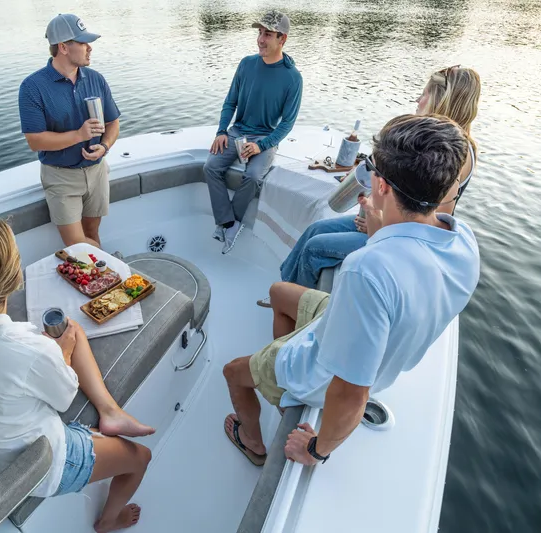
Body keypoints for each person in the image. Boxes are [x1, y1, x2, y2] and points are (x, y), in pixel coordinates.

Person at [221, 115, 480, 467]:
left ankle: (252, 440)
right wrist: (379, 235)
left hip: (314, 371)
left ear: (382, 186)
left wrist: (316, 450)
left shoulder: (367, 269)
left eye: (371, 169)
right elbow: (405, 273)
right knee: (280, 292)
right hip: (345, 330)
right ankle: (280, 394)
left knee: (233, 372)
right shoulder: (462, 240)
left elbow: (351, 393)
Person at [0, 220, 154, 533]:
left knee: (68, 334)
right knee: (141, 457)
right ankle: (108, 521)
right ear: (15, 277)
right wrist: (61, 351)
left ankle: (110, 412)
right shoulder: (25, 349)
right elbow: (63, 398)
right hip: (39, 465)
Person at [259, 66, 480, 305]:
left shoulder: (455, 155)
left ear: (440, 100)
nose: (418, 99)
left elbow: (432, 224)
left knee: (315, 248)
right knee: (316, 229)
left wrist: (380, 224)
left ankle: (297, 313)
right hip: (386, 223)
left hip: (402, 242)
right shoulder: (429, 142)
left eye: (424, 93)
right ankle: (286, 291)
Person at [204, 10, 303, 254]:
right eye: (259, 32)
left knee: (254, 176)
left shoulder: (293, 78)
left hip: (265, 139)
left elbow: (287, 123)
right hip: (237, 132)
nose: (260, 39)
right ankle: (228, 222)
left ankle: (231, 222)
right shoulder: (246, 64)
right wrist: (221, 131)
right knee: (210, 167)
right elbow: (230, 102)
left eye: (267, 34)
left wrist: (262, 145)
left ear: (282, 39)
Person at [18, 14, 120, 249]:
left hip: (96, 171)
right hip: (61, 177)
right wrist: (79, 135)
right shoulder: (32, 87)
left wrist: (103, 147)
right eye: (83, 43)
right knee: (77, 245)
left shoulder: (96, 78)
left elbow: (113, 123)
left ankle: (102, 281)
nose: (89, 48)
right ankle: (108, 269)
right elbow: (35, 141)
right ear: (63, 47)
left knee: (92, 232)